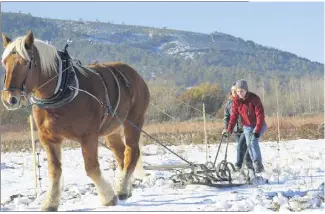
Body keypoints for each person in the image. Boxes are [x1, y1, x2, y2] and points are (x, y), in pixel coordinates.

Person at [223, 79, 267, 173]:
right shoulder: (236, 101)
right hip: (247, 126)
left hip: (259, 124)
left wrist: (257, 130)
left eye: (241, 91)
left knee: (253, 141)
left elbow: (260, 115)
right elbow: (233, 117)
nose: (239, 93)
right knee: (248, 144)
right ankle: (252, 166)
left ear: (246, 90)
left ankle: (258, 165)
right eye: (238, 91)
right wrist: (229, 130)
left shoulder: (254, 98)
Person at [222, 84, 253, 171]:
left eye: (236, 91)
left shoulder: (244, 101)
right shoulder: (228, 103)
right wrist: (226, 128)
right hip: (236, 130)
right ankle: (250, 166)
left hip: (245, 128)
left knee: (240, 146)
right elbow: (226, 117)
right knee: (244, 148)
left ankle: (238, 165)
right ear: (231, 92)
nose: (235, 93)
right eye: (233, 91)